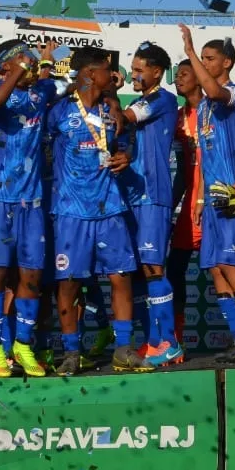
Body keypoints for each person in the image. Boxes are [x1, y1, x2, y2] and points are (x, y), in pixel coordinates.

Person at [48, 47, 141, 376]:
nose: (111, 75)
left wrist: (126, 154)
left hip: (110, 207)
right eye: (106, 69)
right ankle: (72, 352)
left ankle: (124, 349)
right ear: (89, 74)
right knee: (69, 283)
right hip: (71, 211)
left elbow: (128, 140)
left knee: (121, 278)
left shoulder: (111, 110)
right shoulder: (58, 112)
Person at [178, 24, 235, 362]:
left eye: (209, 58)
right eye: (201, 57)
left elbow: (214, 91)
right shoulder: (201, 109)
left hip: (233, 195)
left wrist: (188, 52)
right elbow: (204, 157)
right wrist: (199, 198)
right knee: (216, 268)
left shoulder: (234, 94)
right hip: (212, 198)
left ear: (226, 63)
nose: (204, 62)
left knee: (232, 263)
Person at [0, 37, 59, 377]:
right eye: (21, 60)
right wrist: (19, 70)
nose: (31, 65)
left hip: (32, 200)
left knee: (31, 274)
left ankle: (23, 345)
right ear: (5, 66)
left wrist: (48, 59)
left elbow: (61, 80)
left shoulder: (41, 93)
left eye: (30, 60)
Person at [120, 43, 182, 368]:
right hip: (133, 195)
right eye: (132, 69)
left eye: (138, 69)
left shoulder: (163, 99)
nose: (133, 75)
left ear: (156, 72)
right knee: (141, 273)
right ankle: (153, 341)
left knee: (154, 268)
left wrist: (106, 90)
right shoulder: (137, 101)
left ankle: (169, 342)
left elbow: (124, 118)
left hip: (154, 193)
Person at [165, 59, 203, 352]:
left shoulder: (216, 112)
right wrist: (172, 203)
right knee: (175, 269)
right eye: (176, 75)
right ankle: (175, 338)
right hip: (189, 203)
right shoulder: (178, 118)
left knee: (228, 270)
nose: (178, 80)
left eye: (185, 75)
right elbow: (183, 170)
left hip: (214, 202)